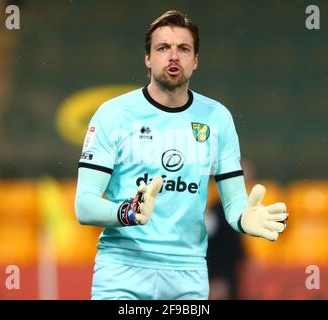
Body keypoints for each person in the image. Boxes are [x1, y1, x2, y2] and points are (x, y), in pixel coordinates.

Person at [74, 10, 288, 300]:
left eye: (183, 49)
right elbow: (84, 206)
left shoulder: (217, 118)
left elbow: (235, 200)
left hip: (188, 276)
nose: (173, 56)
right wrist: (128, 212)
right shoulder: (114, 114)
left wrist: (243, 218)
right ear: (147, 59)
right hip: (122, 271)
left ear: (196, 60)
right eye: (163, 48)